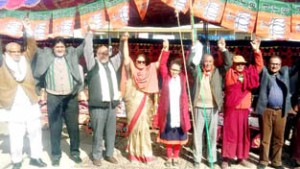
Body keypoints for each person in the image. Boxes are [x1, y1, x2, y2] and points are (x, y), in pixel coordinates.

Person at [33, 26, 92, 167]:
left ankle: (75, 152)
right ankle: (55, 155)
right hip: (53, 97)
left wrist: (89, 33)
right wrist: (29, 30)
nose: (60, 49)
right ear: (53, 48)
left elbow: (83, 45)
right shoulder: (46, 55)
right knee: (55, 127)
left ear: (65, 47)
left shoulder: (71, 54)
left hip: (70, 97)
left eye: (62, 46)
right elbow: (33, 47)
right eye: (57, 46)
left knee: (73, 127)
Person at [0, 20, 47, 169]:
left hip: (30, 101)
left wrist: (28, 29)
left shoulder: (25, 58)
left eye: (18, 51)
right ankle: (17, 160)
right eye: (12, 51)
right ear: (5, 52)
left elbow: (32, 46)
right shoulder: (2, 62)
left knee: (35, 130)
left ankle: (36, 156)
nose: (16, 54)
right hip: (12, 103)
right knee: (16, 133)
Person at [83, 29, 127, 166]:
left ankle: (109, 154)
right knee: (97, 132)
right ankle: (96, 155)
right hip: (98, 105)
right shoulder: (92, 64)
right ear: (97, 54)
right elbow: (87, 50)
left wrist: (122, 41)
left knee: (110, 131)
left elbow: (120, 55)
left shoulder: (112, 63)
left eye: (106, 53)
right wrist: (90, 34)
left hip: (111, 105)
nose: (104, 55)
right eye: (101, 53)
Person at [188, 39, 232, 168]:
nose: (207, 64)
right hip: (198, 107)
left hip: (213, 108)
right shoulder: (197, 71)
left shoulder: (218, 72)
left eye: (210, 61)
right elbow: (189, 64)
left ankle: (211, 158)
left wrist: (223, 49)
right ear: (202, 62)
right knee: (197, 134)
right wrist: (193, 50)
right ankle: (197, 158)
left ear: (213, 62)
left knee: (212, 134)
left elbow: (228, 63)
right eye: (205, 61)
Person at [221, 38, 263, 169]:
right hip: (232, 109)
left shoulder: (248, 73)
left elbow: (259, 67)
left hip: (244, 109)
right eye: (237, 63)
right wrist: (223, 49)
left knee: (243, 134)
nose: (240, 65)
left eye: (242, 63)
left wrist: (256, 50)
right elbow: (227, 61)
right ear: (233, 64)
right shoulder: (229, 72)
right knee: (230, 134)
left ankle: (241, 157)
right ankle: (226, 158)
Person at [123, 34, 162, 163]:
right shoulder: (132, 70)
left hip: (144, 105)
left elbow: (159, 63)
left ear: (146, 62)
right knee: (134, 129)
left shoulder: (150, 70)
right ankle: (133, 154)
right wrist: (125, 41)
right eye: (138, 61)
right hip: (132, 105)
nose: (140, 63)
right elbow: (126, 58)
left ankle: (146, 154)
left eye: (143, 61)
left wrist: (165, 49)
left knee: (144, 129)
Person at [256, 55, 300, 169]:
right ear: (268, 64)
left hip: (281, 111)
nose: (274, 66)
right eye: (272, 63)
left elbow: (295, 67)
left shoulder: (285, 72)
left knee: (279, 139)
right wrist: (256, 51)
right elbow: (258, 65)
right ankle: (263, 161)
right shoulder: (264, 72)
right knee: (265, 138)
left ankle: (276, 162)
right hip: (266, 110)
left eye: (277, 64)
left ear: (280, 65)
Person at [152, 39, 191, 167]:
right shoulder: (166, 76)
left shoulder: (183, 78)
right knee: (169, 136)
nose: (174, 72)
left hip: (180, 111)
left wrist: (191, 51)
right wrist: (166, 49)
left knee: (179, 136)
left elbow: (189, 65)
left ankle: (176, 156)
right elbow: (162, 65)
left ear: (180, 71)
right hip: (168, 111)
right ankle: (169, 157)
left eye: (177, 70)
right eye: (173, 70)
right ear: (170, 69)